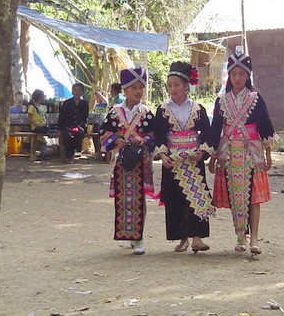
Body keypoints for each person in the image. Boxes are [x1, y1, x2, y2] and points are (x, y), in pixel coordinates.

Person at [208, 47, 278, 255]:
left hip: (251, 151)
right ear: (229, 75)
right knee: (235, 196)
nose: (237, 77)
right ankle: (241, 235)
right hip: (228, 152)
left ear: (248, 75)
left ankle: (254, 238)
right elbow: (215, 130)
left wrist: (268, 153)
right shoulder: (221, 101)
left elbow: (265, 125)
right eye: (234, 73)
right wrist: (212, 157)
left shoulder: (255, 98)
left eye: (241, 74)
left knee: (254, 197)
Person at [153, 61, 215, 254]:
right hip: (172, 161)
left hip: (193, 160)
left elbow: (207, 132)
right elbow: (158, 135)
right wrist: (163, 156)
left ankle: (197, 238)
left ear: (186, 85)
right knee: (175, 200)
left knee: (197, 197)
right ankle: (182, 239)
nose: (173, 89)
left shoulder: (197, 108)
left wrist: (202, 152)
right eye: (169, 85)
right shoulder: (162, 109)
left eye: (176, 85)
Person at [99, 66, 156, 255]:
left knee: (140, 198)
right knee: (124, 198)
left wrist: (145, 139)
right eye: (134, 88)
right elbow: (104, 133)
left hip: (140, 161)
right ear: (125, 90)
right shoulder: (114, 113)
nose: (138, 92)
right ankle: (129, 234)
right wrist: (116, 140)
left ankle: (139, 237)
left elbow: (154, 134)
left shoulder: (147, 113)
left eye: (141, 88)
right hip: (122, 161)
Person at [57, 82, 89, 163]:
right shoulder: (67, 103)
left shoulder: (84, 104)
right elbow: (61, 117)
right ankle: (69, 156)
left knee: (79, 133)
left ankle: (75, 151)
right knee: (67, 135)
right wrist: (59, 129)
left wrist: (83, 127)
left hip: (78, 126)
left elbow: (85, 117)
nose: (77, 92)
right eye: (75, 90)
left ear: (82, 92)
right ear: (72, 91)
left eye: (79, 90)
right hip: (67, 126)